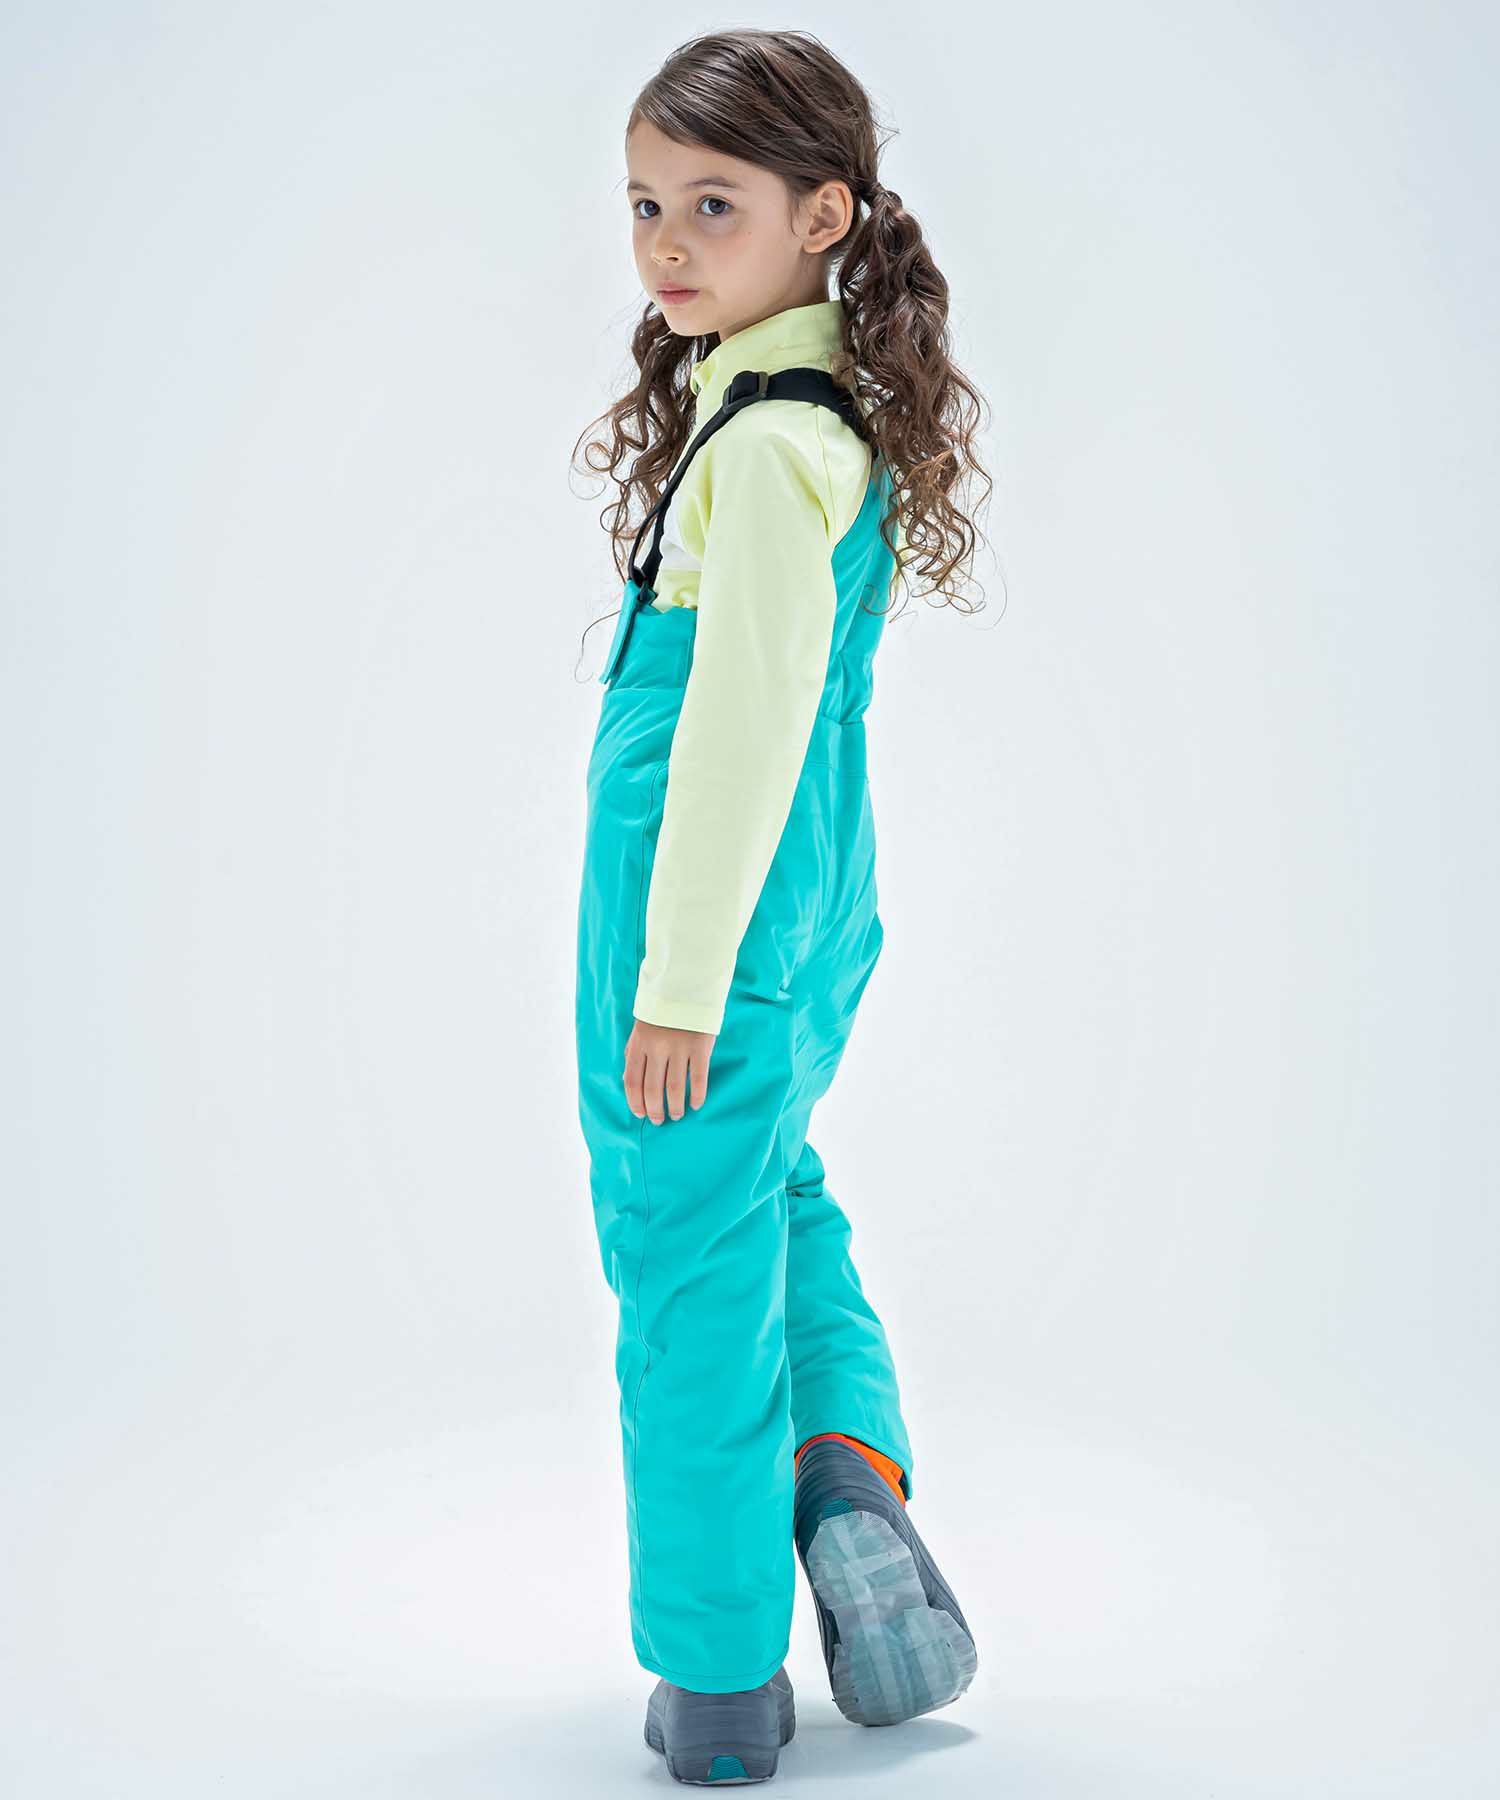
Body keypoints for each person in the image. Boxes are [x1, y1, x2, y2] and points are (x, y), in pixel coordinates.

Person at [572, 28, 993, 1786]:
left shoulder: (763, 445)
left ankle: (722, 1677)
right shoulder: (818, 414)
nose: (667, 244)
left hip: (712, 919)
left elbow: (740, 725)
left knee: (684, 1256)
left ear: (824, 217)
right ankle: (846, 1473)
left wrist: (676, 980)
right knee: (772, 1187)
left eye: (714, 206)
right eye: (644, 205)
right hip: (815, 908)